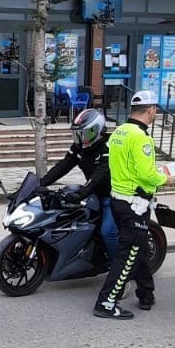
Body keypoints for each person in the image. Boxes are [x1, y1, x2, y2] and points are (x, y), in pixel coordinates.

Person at [93, 90, 168, 320]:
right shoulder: (141, 137)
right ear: (151, 110)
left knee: (140, 248)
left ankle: (146, 293)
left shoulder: (119, 132)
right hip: (135, 204)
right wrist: (165, 177)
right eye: (155, 110)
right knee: (126, 255)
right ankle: (106, 302)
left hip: (118, 199)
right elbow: (146, 174)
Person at [40, 108, 116, 261]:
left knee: (108, 231)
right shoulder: (79, 148)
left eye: (83, 134)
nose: (80, 139)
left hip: (112, 196)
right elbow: (63, 166)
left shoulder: (108, 147)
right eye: (77, 134)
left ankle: (119, 267)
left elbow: (99, 176)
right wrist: (40, 184)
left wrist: (80, 194)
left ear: (96, 130)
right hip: (92, 195)